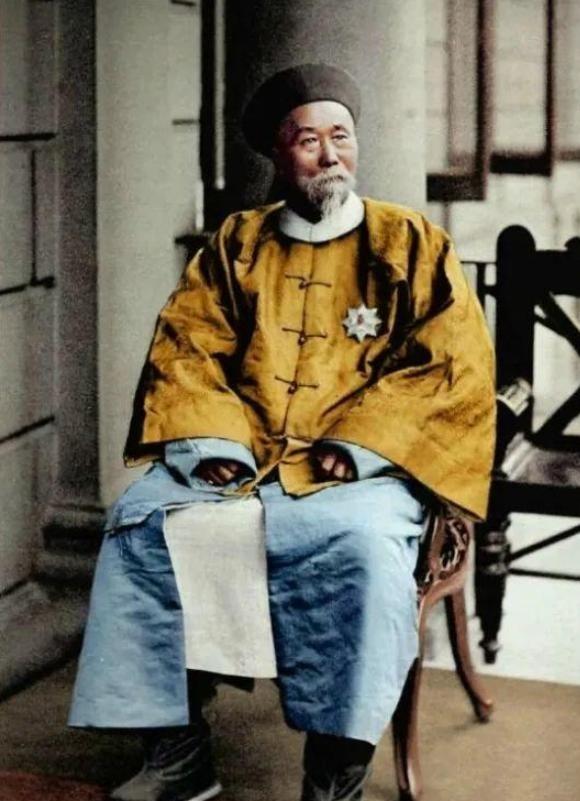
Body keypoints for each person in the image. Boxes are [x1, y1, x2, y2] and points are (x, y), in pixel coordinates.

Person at [69, 64, 496, 801]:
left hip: (366, 470)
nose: (330, 155)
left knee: (363, 551)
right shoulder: (238, 243)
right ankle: (180, 757)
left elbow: (451, 363)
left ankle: (335, 773)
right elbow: (187, 348)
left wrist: (361, 445)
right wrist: (214, 443)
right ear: (278, 152)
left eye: (341, 137)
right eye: (308, 140)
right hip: (244, 457)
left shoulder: (411, 241)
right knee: (141, 525)